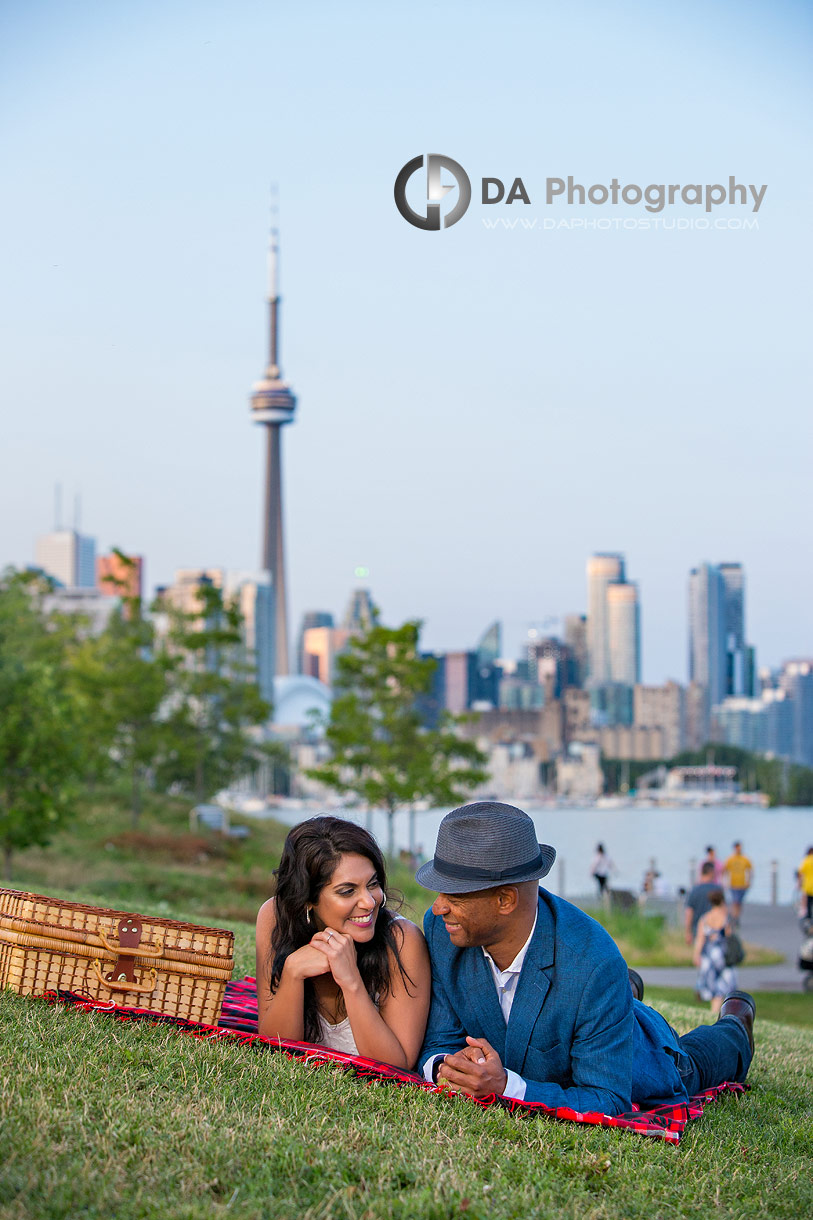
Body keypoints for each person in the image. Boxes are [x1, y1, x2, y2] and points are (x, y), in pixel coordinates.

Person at [416, 801, 754, 1113]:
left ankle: (736, 1022)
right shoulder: (442, 931)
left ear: (505, 901)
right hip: (587, 1000)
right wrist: (448, 1068)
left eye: (454, 895)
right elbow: (439, 1040)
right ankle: (624, 994)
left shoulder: (592, 962)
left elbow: (607, 1098)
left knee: (689, 1065)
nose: (437, 907)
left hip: (641, 1059)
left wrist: (505, 1087)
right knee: (591, 997)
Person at [255, 816, 431, 1068]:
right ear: (307, 898)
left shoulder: (402, 941)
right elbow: (274, 1050)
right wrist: (293, 973)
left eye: (373, 884)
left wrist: (352, 983)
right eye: (348, 891)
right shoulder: (275, 918)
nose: (370, 902)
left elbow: (395, 1067)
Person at [693, 888, 737, 1014]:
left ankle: (714, 1010)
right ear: (722, 901)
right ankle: (718, 1011)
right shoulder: (724, 918)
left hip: (709, 955)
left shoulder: (705, 918)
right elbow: (729, 936)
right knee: (723, 984)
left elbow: (700, 939)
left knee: (712, 984)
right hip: (722, 955)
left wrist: (696, 955)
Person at [684, 861, 719, 945]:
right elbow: (722, 911)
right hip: (714, 930)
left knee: (699, 954)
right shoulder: (717, 890)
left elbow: (689, 912)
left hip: (697, 930)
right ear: (711, 872)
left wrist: (688, 932)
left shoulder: (694, 890)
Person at [723, 841, 753, 925]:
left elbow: (750, 870)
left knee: (739, 902)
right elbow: (724, 870)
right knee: (735, 901)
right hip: (733, 884)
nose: (739, 849)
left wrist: (749, 881)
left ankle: (737, 916)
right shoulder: (730, 859)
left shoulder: (745, 859)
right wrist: (724, 882)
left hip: (743, 884)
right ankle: (734, 917)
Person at [797, 846, 813, 921]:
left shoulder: (806, 860)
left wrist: (799, 884)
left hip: (809, 887)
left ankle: (808, 918)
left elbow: (800, 873)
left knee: (808, 903)